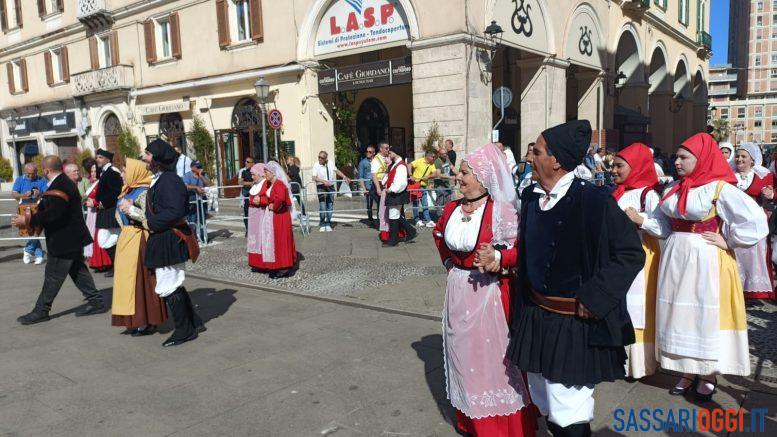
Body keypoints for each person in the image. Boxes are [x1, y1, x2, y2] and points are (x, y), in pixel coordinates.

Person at [499, 120, 644, 436]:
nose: (529, 157)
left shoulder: (594, 201)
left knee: (570, 414)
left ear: (556, 160)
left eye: (536, 151)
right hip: (537, 319)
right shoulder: (532, 198)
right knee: (545, 404)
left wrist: (596, 298)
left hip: (574, 326)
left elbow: (631, 253)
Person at [432, 143, 536, 436]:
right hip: (458, 292)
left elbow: (520, 250)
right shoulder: (452, 207)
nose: (459, 178)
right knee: (462, 356)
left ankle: (501, 426)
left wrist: (499, 260)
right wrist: (450, 264)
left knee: (493, 360)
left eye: (465, 173)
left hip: (490, 295)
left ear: (483, 176)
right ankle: (470, 420)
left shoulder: (500, 210)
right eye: (461, 172)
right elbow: (438, 234)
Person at [657, 133, 767, 402]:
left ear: (702, 158)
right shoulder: (676, 188)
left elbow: (756, 222)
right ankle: (687, 369)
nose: (678, 162)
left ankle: (707, 373)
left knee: (702, 314)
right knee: (679, 313)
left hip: (705, 258)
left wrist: (728, 239)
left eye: (684, 158)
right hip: (675, 257)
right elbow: (661, 221)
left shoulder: (719, 188)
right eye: (678, 157)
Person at [12, 156, 106, 325]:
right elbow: (54, 208)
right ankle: (97, 302)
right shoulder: (61, 183)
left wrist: (27, 220)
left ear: (46, 170)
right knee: (78, 272)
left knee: (52, 276)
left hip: (64, 240)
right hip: (71, 238)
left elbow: (54, 214)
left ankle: (41, 310)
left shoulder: (61, 184)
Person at [610, 143, 670, 379]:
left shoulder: (649, 193)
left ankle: (639, 364)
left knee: (637, 308)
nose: (613, 170)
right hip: (618, 256)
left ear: (634, 167)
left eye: (619, 166)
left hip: (641, 255)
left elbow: (664, 227)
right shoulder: (618, 192)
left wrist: (639, 218)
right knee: (621, 305)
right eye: (613, 165)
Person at [143, 139, 204, 347]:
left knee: (169, 284)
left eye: (148, 155)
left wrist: (149, 222)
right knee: (172, 283)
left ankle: (184, 330)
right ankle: (193, 323)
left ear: (158, 159)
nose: (144, 158)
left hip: (169, 236)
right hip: (164, 236)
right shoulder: (162, 178)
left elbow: (175, 211)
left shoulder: (169, 180)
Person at [112, 159, 168, 336]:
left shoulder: (144, 192)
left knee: (139, 282)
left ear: (135, 172)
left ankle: (145, 321)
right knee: (126, 283)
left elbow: (150, 219)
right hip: (127, 240)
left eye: (124, 171)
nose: (122, 175)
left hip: (139, 241)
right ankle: (133, 319)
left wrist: (131, 211)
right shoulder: (127, 191)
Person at [730, 143, 776, 300]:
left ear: (752, 160)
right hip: (733, 221)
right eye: (737, 156)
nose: (739, 159)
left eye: (744, 156)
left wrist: (771, 194)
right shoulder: (728, 175)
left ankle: (753, 291)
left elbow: (772, 195)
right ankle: (734, 290)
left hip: (754, 223)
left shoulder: (764, 175)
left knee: (754, 257)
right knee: (734, 256)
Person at [257, 162, 298, 278]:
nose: (264, 174)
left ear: (272, 173)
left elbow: (280, 199)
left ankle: (284, 267)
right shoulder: (272, 184)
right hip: (275, 216)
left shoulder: (279, 184)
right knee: (277, 241)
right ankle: (278, 265)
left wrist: (273, 206)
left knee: (281, 240)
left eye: (266, 172)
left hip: (280, 216)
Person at [88, 149, 122, 276]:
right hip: (105, 211)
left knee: (109, 239)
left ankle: (118, 267)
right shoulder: (104, 172)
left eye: (101, 157)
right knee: (105, 240)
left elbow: (116, 191)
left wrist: (103, 203)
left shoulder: (112, 172)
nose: (98, 159)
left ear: (108, 159)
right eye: (97, 157)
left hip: (110, 210)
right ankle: (117, 267)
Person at [12, 163, 48, 265]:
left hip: (38, 208)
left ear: (37, 172)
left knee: (36, 230)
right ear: (25, 172)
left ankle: (27, 250)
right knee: (29, 231)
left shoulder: (42, 180)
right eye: (29, 174)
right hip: (23, 208)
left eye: (33, 173)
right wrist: (23, 195)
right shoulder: (20, 179)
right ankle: (39, 254)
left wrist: (39, 193)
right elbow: (13, 194)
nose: (31, 176)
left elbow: (47, 193)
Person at [381, 147, 417, 246]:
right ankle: (410, 231)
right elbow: (388, 178)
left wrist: (391, 189)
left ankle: (394, 240)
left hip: (396, 194)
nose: (389, 154)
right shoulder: (395, 165)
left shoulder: (400, 166)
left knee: (393, 216)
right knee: (395, 215)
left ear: (396, 153)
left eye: (390, 152)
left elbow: (401, 182)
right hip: (394, 193)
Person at [311, 150, 350, 232]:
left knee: (330, 205)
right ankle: (322, 223)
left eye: (322, 158)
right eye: (319, 157)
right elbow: (314, 177)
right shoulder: (316, 164)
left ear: (326, 159)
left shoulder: (330, 163)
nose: (320, 159)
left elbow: (336, 170)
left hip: (331, 186)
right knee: (322, 206)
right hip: (321, 186)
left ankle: (328, 223)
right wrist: (323, 181)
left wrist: (344, 177)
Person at [182, 161, 211, 243]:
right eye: (197, 167)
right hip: (192, 200)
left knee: (202, 218)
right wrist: (196, 187)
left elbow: (208, 184)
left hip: (202, 199)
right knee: (192, 219)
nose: (199, 168)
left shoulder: (203, 174)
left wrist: (201, 176)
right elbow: (185, 185)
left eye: (200, 166)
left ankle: (202, 236)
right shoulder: (187, 175)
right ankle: (193, 238)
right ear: (192, 167)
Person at [247, 163, 268, 271]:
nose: (252, 177)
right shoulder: (255, 185)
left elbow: (269, 198)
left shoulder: (265, 184)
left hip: (262, 215)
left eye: (254, 174)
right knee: (254, 238)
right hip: (253, 216)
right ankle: (255, 263)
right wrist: (253, 200)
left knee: (261, 238)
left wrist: (260, 200)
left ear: (260, 174)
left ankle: (262, 264)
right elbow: (251, 198)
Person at [409, 150, 437, 227]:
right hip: (415, 185)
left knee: (425, 203)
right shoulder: (419, 161)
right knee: (416, 203)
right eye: (433, 157)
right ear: (428, 156)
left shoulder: (432, 164)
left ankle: (428, 220)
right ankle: (417, 220)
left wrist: (428, 177)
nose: (434, 158)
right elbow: (409, 165)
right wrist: (411, 175)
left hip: (423, 186)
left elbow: (435, 173)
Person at [371, 142, 390, 228]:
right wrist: (378, 188)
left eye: (388, 148)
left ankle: (383, 222)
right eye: (386, 148)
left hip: (384, 183)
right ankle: (380, 224)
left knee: (384, 205)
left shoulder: (386, 158)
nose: (388, 150)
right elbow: (374, 175)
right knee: (380, 205)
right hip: (378, 184)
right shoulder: (376, 159)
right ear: (381, 149)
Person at [358, 146, 377, 225]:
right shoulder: (362, 163)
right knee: (369, 204)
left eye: (370, 152)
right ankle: (370, 219)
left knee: (380, 203)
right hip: (368, 187)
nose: (368, 153)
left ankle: (380, 219)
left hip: (377, 186)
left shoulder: (377, 161)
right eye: (367, 151)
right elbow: (361, 177)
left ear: (373, 153)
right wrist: (364, 189)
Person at [240, 156, 256, 232]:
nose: (246, 163)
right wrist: (250, 183)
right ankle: (247, 230)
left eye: (248, 162)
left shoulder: (256, 171)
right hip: (247, 195)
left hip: (255, 195)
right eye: (245, 161)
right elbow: (241, 182)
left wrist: (253, 183)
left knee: (255, 212)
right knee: (246, 213)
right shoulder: (244, 172)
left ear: (252, 163)